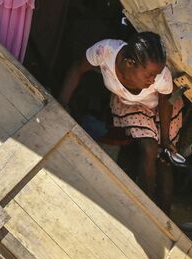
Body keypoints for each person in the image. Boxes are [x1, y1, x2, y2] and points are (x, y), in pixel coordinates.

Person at [59, 32, 183, 215]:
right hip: (130, 105)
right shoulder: (105, 52)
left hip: (163, 109)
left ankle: (165, 218)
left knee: (164, 159)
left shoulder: (161, 77)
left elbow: (165, 101)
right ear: (129, 63)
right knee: (149, 149)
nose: (153, 79)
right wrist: (61, 104)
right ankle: (147, 210)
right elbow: (77, 68)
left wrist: (165, 140)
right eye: (149, 74)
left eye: (156, 75)